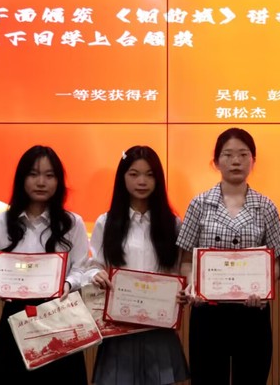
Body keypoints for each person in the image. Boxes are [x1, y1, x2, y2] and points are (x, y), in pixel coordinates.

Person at [176, 127, 280, 385]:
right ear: (216, 161)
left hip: (252, 314)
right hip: (208, 314)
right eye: (227, 155)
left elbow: (276, 263)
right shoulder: (199, 204)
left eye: (243, 154)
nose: (236, 161)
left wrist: (263, 289)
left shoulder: (266, 206)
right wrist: (193, 286)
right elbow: (186, 261)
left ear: (253, 160)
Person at [0, 145, 89, 385]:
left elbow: (81, 268)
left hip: (59, 315)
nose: (41, 182)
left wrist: (68, 284)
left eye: (49, 175)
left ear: (58, 181)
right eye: (33, 174)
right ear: (22, 179)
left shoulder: (72, 223)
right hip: (16, 316)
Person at [85, 146, 189, 384]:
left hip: (159, 327)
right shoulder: (106, 222)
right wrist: (96, 275)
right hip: (118, 327)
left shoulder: (172, 223)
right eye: (134, 174)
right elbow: (94, 265)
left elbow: (178, 271)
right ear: (122, 177)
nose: (142, 181)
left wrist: (182, 292)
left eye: (150, 175)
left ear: (158, 179)